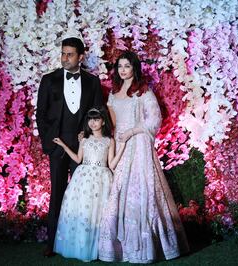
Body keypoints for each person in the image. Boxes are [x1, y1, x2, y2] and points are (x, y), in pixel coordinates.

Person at [98, 51, 189, 263]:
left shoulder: (143, 92)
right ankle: (117, 247)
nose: (122, 70)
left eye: (126, 66)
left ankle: (145, 247)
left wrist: (132, 131)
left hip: (138, 143)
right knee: (117, 190)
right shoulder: (113, 93)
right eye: (119, 66)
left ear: (134, 69)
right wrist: (112, 138)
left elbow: (154, 120)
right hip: (119, 143)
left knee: (140, 190)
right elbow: (111, 121)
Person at [36, 34, 103, 257]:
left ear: (81, 57)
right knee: (57, 193)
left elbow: (97, 113)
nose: (65, 58)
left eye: (70, 54)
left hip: (82, 147)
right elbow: (41, 114)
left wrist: (90, 139)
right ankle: (52, 243)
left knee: (81, 195)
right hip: (57, 146)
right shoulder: (49, 79)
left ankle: (79, 243)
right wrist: (49, 143)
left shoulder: (93, 82)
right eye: (63, 53)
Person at [52, 107, 126, 262]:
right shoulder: (84, 139)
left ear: (103, 121)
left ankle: (100, 249)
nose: (93, 123)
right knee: (84, 210)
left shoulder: (109, 140)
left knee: (99, 212)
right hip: (84, 178)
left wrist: (123, 146)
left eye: (97, 119)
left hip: (102, 179)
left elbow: (111, 164)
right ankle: (82, 246)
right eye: (90, 119)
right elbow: (78, 159)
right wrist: (64, 145)